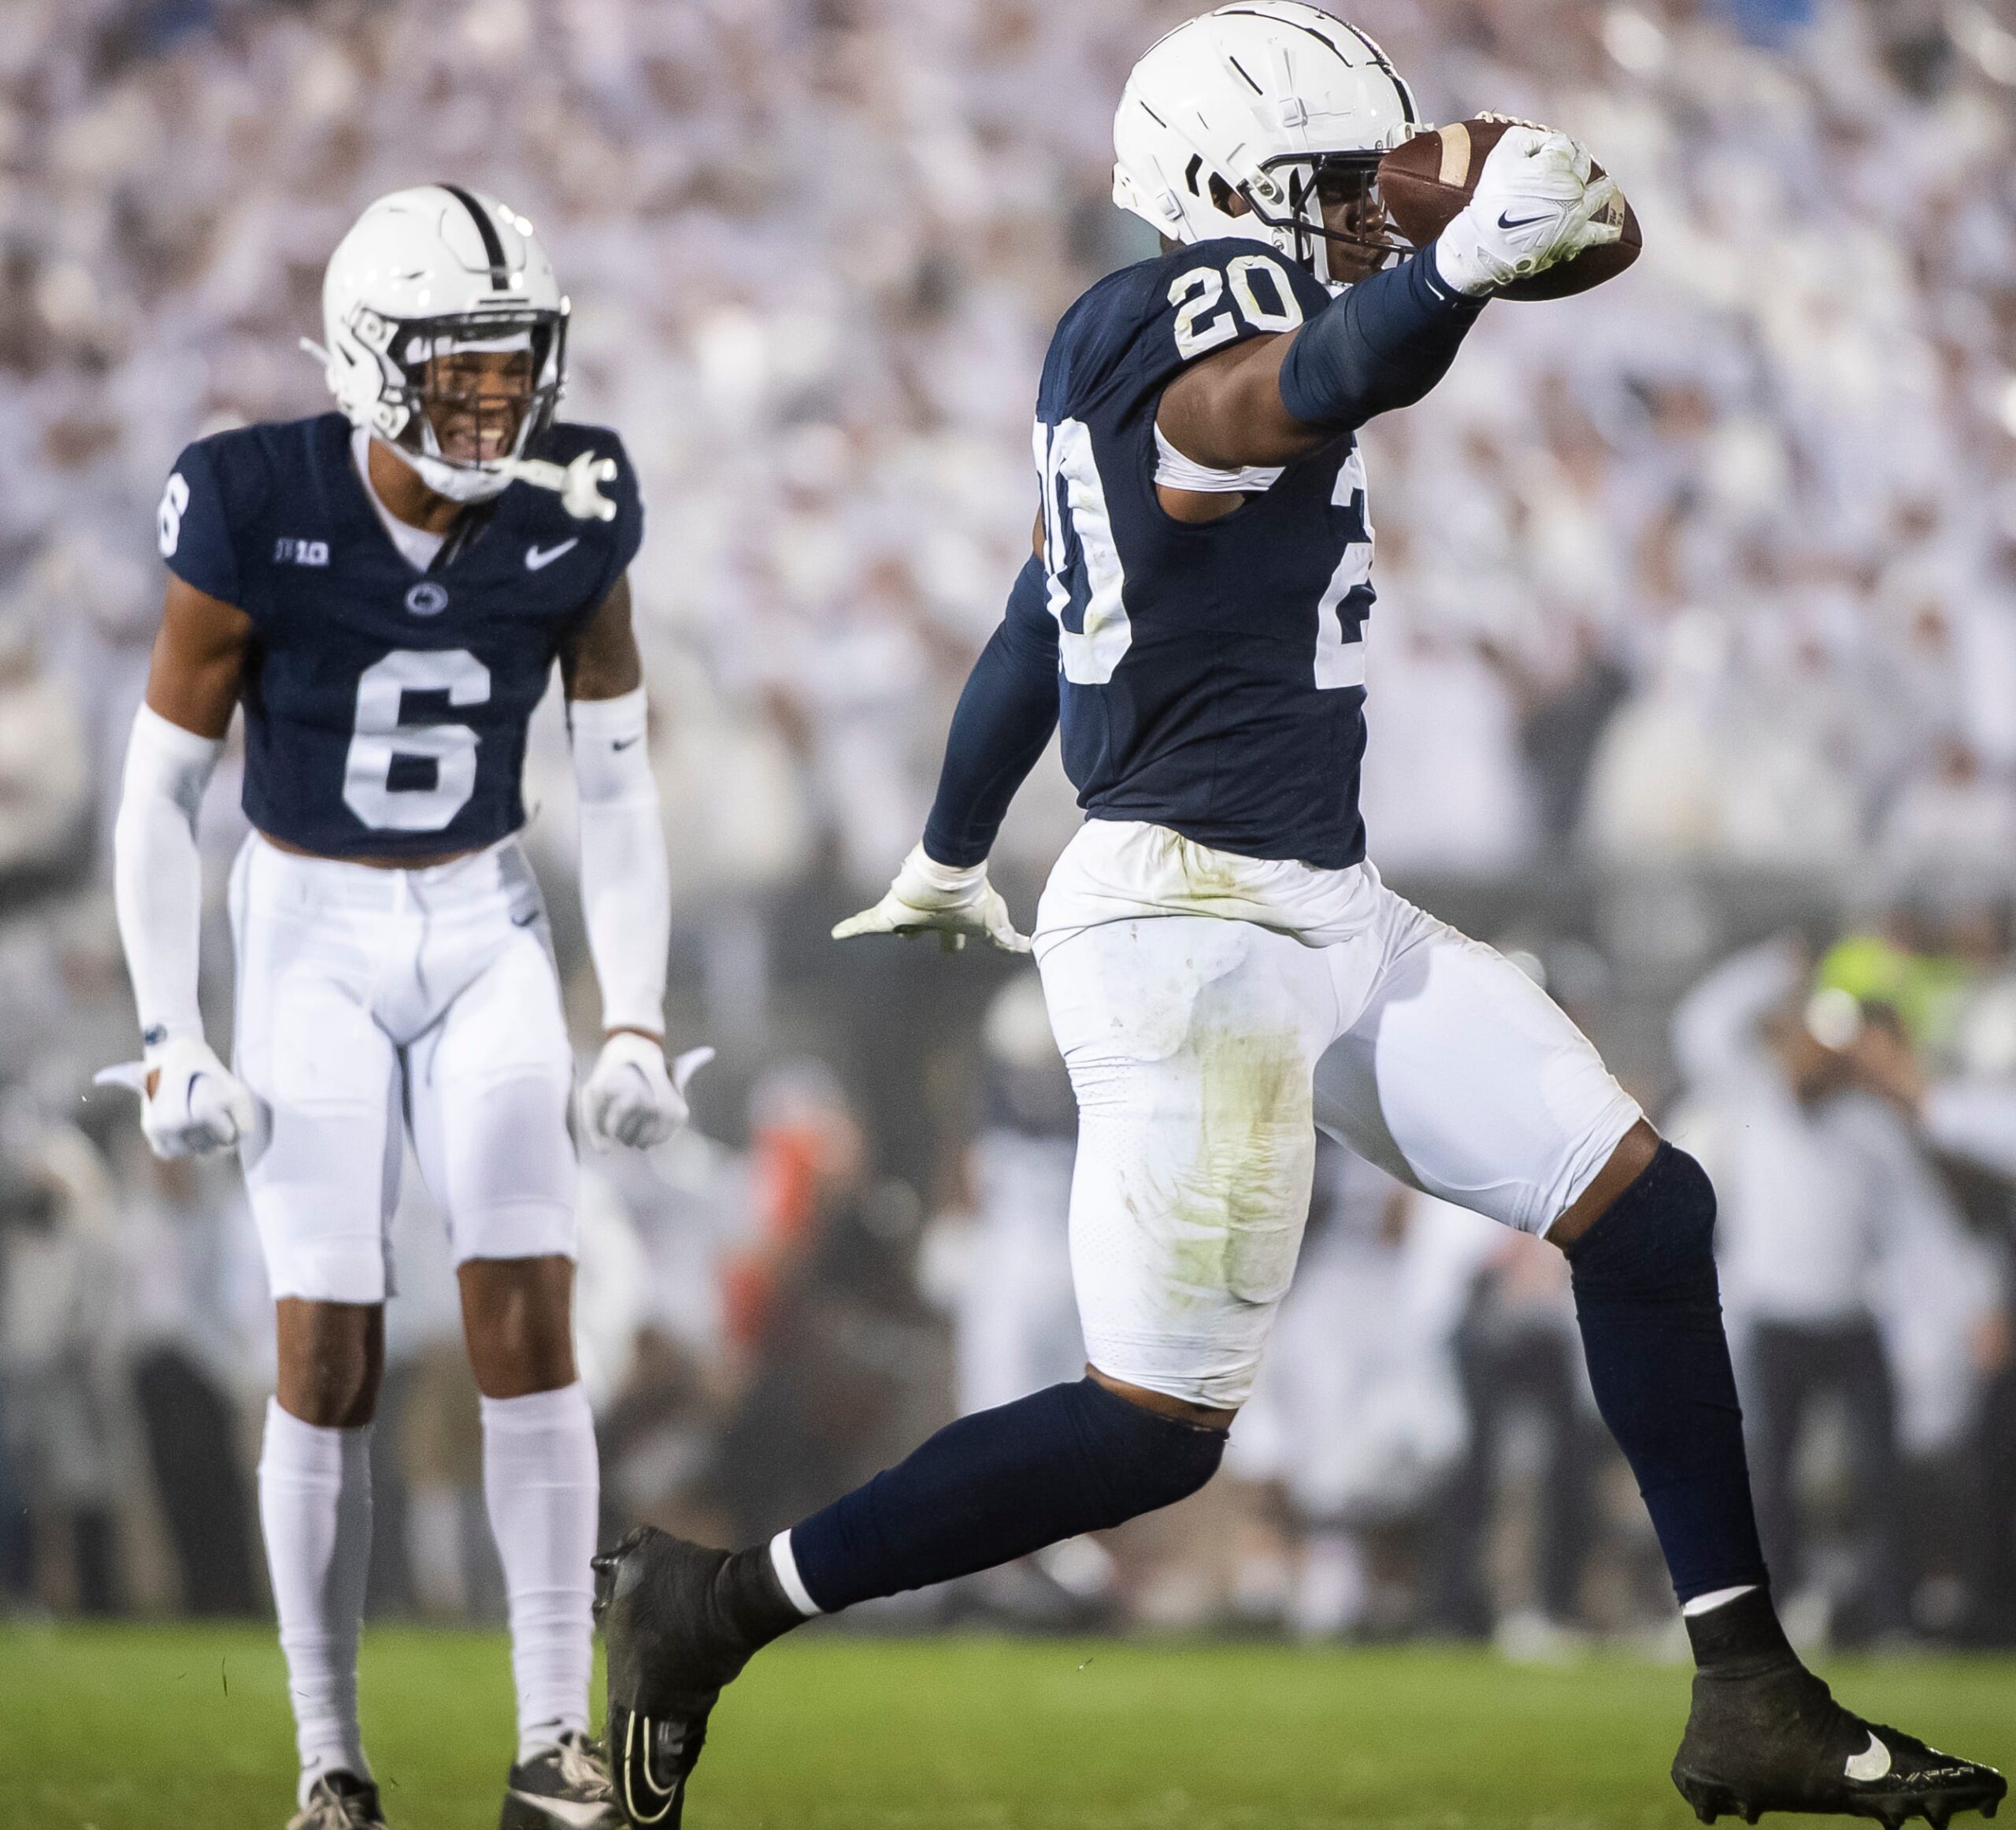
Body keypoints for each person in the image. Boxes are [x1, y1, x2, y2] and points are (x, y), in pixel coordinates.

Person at [594, 9, 2007, 1828]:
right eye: (1331, 185)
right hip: (1192, 924)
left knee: (1647, 1210)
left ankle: (1746, 1687)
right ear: (1216, 191)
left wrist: (949, 846)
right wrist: (1458, 279)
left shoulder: (1211, 334)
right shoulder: (1165, 325)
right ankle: (715, 1603)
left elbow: (1038, 625)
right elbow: (1263, 400)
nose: (1364, 213)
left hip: (1312, 903)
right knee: (1149, 1435)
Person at [102, 185, 706, 1830]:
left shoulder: (576, 501)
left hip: (484, 912)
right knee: (329, 1342)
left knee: (529, 1315)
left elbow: (621, 782)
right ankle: (327, 1761)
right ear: (373, 363)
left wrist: (635, 1012)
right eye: (460, 371)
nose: (496, 401)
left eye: (515, 367)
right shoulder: (251, 500)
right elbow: (157, 796)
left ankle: (547, 1740)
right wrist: (175, 1031)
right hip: (305, 926)